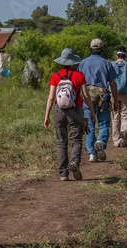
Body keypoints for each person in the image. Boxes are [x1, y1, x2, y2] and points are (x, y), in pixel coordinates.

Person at [44, 48, 95, 181]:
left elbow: (50, 98)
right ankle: (74, 162)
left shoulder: (55, 76)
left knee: (61, 142)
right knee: (76, 140)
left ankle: (63, 173)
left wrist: (46, 116)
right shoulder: (79, 75)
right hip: (75, 110)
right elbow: (86, 95)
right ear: (73, 62)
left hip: (58, 111)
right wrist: (92, 112)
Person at [78, 38, 119, 162]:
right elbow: (113, 84)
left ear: (90, 49)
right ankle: (101, 141)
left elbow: (79, 83)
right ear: (102, 50)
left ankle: (92, 154)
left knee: (89, 125)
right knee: (104, 123)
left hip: (87, 96)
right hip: (103, 98)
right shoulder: (107, 64)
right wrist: (115, 101)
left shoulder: (83, 63)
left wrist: (79, 99)